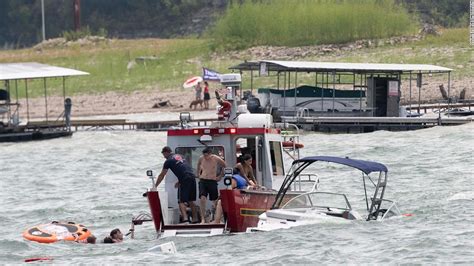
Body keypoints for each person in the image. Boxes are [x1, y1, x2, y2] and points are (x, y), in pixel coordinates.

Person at [155, 146, 198, 224]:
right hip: (192, 177)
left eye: (163, 154)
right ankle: (195, 219)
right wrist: (179, 181)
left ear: (166, 152)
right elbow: (184, 168)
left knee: (180, 201)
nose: (164, 156)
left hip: (184, 179)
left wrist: (155, 186)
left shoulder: (168, 161)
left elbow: (162, 175)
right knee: (191, 200)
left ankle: (185, 220)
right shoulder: (181, 156)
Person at [196, 147, 227, 223]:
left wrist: (220, 176)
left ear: (210, 154)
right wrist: (198, 174)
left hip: (212, 181)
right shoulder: (201, 158)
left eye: (206, 156)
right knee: (202, 198)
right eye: (204, 155)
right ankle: (203, 219)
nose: (205, 157)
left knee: (215, 200)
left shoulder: (216, 158)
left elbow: (225, 165)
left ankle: (216, 218)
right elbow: (198, 165)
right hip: (203, 180)